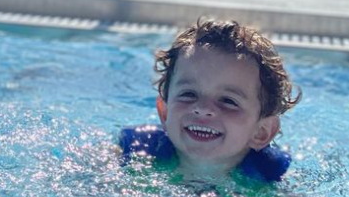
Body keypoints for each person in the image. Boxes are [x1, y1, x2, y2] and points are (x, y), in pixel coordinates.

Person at [120, 18, 301, 180]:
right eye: (188, 94)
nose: (202, 108)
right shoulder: (138, 152)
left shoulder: (268, 177)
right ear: (165, 112)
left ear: (261, 132)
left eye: (228, 101)